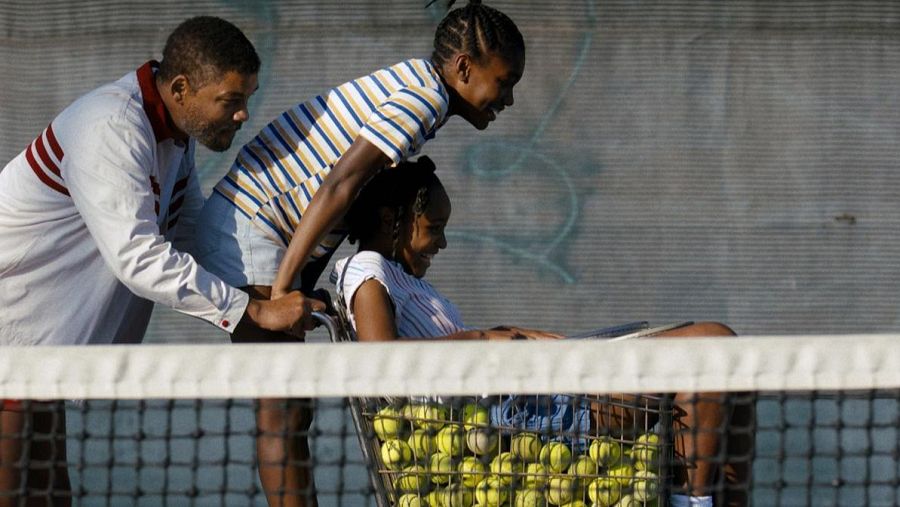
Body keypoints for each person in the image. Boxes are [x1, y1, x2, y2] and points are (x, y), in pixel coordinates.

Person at [191, 1, 526, 504]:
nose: (510, 98)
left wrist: (300, 281)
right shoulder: (423, 100)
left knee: (293, 409)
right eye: (505, 81)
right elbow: (339, 185)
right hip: (252, 229)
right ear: (463, 68)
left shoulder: (420, 90)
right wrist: (284, 289)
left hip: (268, 238)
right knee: (281, 409)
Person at [0, 17, 322, 506]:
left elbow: (189, 232)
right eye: (231, 100)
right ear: (180, 88)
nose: (242, 115)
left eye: (247, 99)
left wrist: (255, 299)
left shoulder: (173, 136)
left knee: (46, 495)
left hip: (37, 352)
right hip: (11, 338)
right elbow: (138, 257)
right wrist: (249, 311)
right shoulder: (110, 128)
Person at [332, 157, 754, 507]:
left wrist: (510, 333)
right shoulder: (368, 271)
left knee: (727, 360)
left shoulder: (400, 277)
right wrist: (481, 341)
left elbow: (437, 347)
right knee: (712, 348)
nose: (441, 243)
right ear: (392, 220)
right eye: (434, 228)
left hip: (526, 400)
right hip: (518, 420)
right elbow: (381, 366)